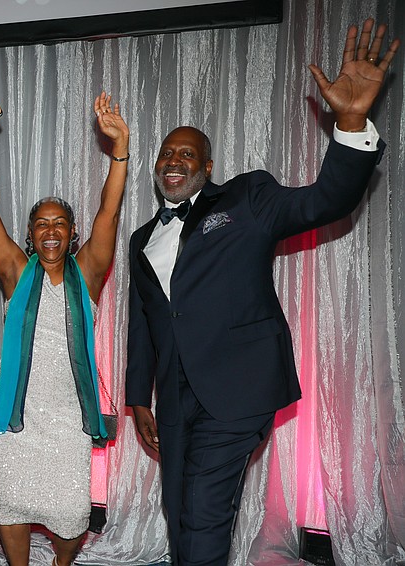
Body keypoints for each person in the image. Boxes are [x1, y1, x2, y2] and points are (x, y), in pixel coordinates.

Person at [125, 19, 400, 565]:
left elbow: (324, 201)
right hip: (176, 397)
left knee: (203, 511)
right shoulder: (141, 238)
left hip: (237, 388)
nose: (173, 160)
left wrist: (350, 123)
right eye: (165, 153)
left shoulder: (248, 198)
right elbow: (145, 322)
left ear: (207, 167)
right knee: (181, 512)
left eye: (187, 153)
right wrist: (138, 398)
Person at [0, 92, 129, 566]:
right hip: (13, 414)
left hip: (68, 418)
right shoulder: (15, 269)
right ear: (30, 234)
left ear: (73, 233)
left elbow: (109, 214)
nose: (50, 231)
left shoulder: (89, 271)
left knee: (73, 514)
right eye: (40, 224)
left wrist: (120, 151)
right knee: (9, 506)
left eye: (60, 224)